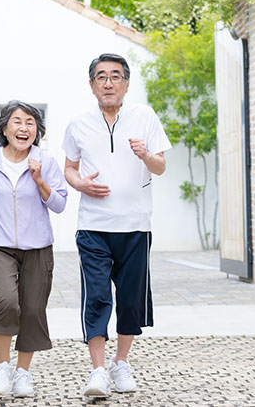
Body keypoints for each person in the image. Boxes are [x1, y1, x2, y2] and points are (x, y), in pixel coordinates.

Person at [62, 53, 172, 397]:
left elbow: (160, 167)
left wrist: (145, 155)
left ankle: (121, 363)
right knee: (95, 297)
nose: (108, 83)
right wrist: (80, 184)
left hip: (136, 226)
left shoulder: (145, 117)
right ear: (92, 85)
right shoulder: (78, 123)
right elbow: (69, 169)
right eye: (101, 77)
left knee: (129, 300)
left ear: (126, 82)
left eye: (115, 76)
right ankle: (97, 371)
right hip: (93, 226)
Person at [0, 100, 67, 397]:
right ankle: (1, 366)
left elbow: (59, 204)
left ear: (38, 131)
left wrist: (39, 180)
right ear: (5, 128)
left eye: (31, 123)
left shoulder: (45, 161)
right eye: (18, 121)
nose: (24, 128)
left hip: (38, 247)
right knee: (7, 301)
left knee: (33, 309)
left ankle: (22, 373)